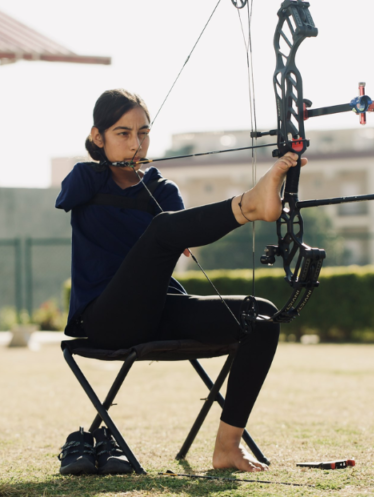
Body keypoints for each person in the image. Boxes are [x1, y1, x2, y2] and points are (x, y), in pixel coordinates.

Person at [55, 89, 306, 474]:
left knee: (262, 318)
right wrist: (113, 168)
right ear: (97, 137)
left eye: (144, 133)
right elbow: (75, 193)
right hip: (105, 320)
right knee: (161, 229)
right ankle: (248, 205)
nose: (136, 144)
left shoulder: (163, 191)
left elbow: (181, 237)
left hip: (159, 311)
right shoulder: (85, 179)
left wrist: (178, 227)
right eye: (122, 134)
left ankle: (227, 449)